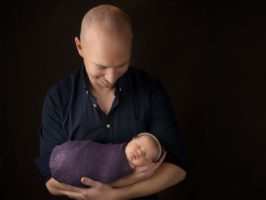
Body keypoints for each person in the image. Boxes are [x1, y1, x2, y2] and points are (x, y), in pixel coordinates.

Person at [35, 4, 187, 200]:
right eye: (101, 66)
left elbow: (177, 168)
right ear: (80, 47)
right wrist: (124, 182)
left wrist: (116, 195)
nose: (112, 77)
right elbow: (51, 181)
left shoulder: (150, 89)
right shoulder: (58, 98)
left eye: (122, 64)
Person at [50, 133, 163, 187]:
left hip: (80, 172)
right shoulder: (116, 149)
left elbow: (108, 175)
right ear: (132, 139)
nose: (139, 152)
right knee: (77, 152)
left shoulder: (130, 171)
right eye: (138, 146)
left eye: (145, 156)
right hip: (77, 152)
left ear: (148, 165)